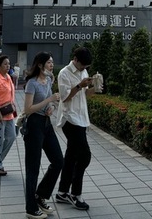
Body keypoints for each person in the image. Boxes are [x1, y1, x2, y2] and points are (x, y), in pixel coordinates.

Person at [55, 47, 95, 211]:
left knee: (71, 156)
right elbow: (65, 97)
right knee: (84, 156)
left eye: (86, 67)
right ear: (75, 59)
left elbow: (84, 95)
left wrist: (94, 87)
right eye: (82, 66)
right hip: (69, 118)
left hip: (81, 118)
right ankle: (75, 193)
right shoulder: (64, 73)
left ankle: (62, 192)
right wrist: (79, 85)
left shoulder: (83, 72)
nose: (84, 69)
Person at [23, 52, 63, 219]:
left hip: (46, 124)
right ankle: (31, 208)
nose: (51, 65)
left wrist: (51, 107)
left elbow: (50, 102)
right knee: (33, 167)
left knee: (58, 160)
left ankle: (40, 195)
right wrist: (49, 100)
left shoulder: (49, 80)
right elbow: (28, 109)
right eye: (48, 62)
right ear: (40, 65)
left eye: (52, 62)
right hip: (34, 126)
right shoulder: (32, 83)